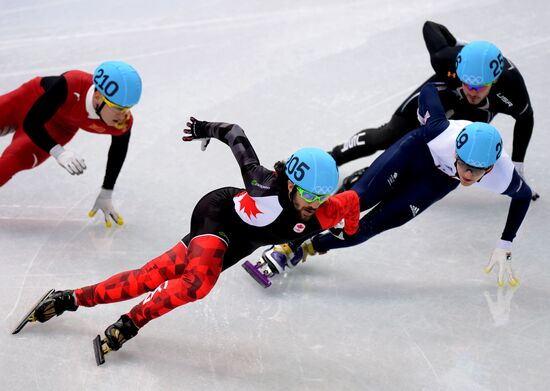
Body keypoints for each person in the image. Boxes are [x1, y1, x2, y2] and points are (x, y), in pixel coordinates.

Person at [15, 118, 360, 364]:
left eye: (320, 197)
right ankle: (130, 323)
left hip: (237, 244)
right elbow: (235, 133)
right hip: (218, 213)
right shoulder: (263, 183)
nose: (312, 204)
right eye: (307, 195)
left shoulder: (323, 210)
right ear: (290, 184)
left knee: (148, 277)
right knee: (198, 284)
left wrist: (351, 228)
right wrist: (201, 129)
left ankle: (67, 299)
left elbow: (352, 201)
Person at [260, 83, 532, 288]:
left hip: (436, 182)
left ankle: (309, 248)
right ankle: (288, 244)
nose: (469, 176)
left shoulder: (502, 173)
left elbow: (523, 196)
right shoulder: (440, 132)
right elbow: (428, 91)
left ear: (491, 167)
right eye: (464, 166)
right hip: (415, 152)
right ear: (457, 153)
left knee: (370, 228)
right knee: (358, 199)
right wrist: (434, 107)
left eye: (477, 171)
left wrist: (505, 242)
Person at [330, 21, 538, 200]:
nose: (472, 92)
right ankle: (333, 157)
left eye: (480, 86)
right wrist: (455, 44)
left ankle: (369, 175)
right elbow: (430, 26)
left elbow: (525, 119)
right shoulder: (446, 59)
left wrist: (517, 165)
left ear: (494, 80)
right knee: (388, 136)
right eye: (467, 84)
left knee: (435, 153)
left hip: (476, 114)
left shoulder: (512, 87)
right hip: (440, 94)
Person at [0, 61, 142, 227]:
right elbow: (32, 123)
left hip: (58, 129)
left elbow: (118, 151)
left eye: (128, 108)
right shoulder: (73, 83)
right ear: (98, 98)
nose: (123, 115)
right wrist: (58, 151)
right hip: (30, 98)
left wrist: (106, 192)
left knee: (10, 163)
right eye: (118, 108)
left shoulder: (122, 123)